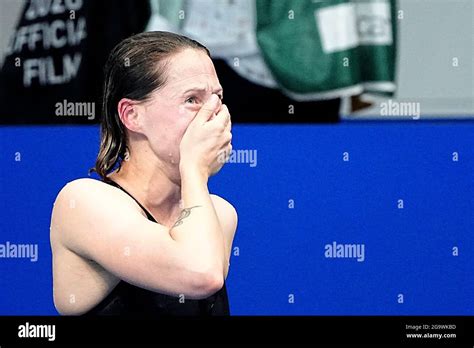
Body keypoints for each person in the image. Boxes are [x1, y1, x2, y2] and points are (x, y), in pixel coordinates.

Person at [50, 31, 237, 316]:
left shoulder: (220, 214)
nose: (214, 114)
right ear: (132, 115)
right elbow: (200, 274)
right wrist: (194, 170)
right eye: (192, 100)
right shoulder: (83, 202)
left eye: (217, 98)